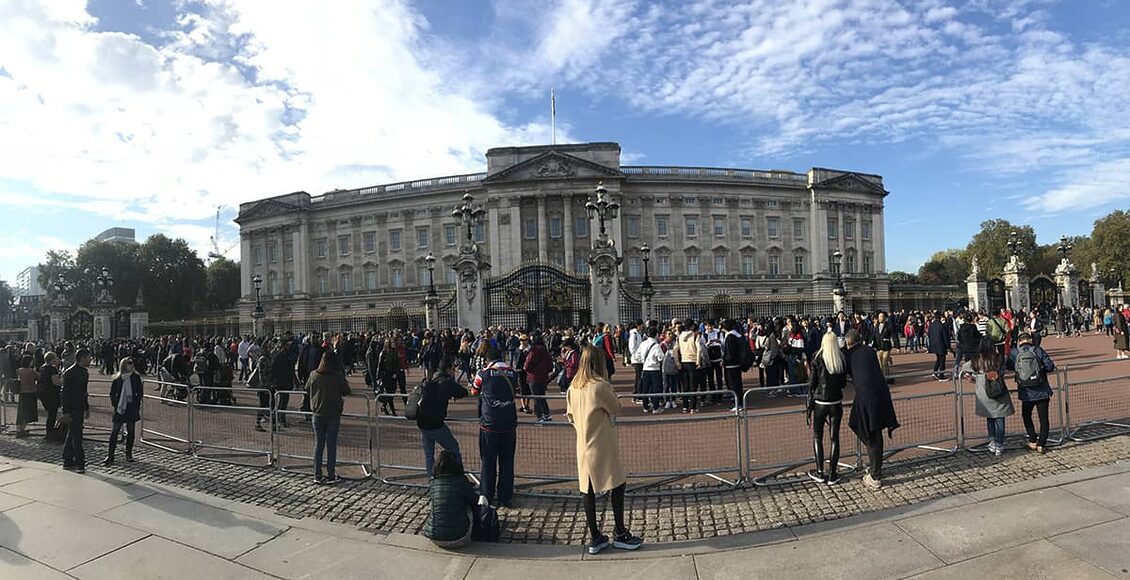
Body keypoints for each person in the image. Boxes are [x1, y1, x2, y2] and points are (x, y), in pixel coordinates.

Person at [566, 344, 643, 555]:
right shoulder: (599, 386)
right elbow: (615, 407)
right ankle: (620, 532)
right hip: (601, 442)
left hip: (582, 442)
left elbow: (570, 415)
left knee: (588, 489)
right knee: (617, 484)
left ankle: (595, 537)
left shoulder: (573, 386)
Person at [844, 330, 899, 490]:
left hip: (866, 396)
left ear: (848, 343)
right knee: (874, 432)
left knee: (868, 432)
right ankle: (875, 467)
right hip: (880, 393)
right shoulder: (869, 351)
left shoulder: (849, 355)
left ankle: (875, 475)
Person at [472, 343, 518, 508]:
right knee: (507, 462)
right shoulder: (512, 372)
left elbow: (474, 390)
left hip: (489, 424)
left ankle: (486, 495)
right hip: (509, 423)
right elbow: (516, 389)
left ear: (487, 360)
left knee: (488, 461)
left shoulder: (483, 373)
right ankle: (506, 497)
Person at [962, 337, 1014, 456]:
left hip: (983, 390)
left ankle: (992, 441)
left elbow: (964, 367)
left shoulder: (976, 360)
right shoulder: (998, 358)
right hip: (998, 389)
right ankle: (999, 444)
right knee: (1000, 418)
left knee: (989, 417)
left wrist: (973, 377)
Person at [806, 331, 846, 485]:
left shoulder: (817, 357)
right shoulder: (840, 358)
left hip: (821, 402)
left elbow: (813, 382)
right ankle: (834, 473)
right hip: (836, 402)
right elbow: (842, 383)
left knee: (817, 436)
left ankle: (820, 471)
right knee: (834, 438)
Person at [418, 358, 469, 475]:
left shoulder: (432, 379)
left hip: (422, 421)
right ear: (448, 369)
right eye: (453, 369)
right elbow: (463, 392)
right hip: (435, 423)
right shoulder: (447, 382)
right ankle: (458, 477)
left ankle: (432, 480)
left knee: (429, 454)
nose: (454, 372)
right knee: (454, 447)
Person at [306, 351, 350, 485]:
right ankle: (331, 475)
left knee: (318, 445)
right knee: (331, 446)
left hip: (317, 413)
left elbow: (307, 387)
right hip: (333, 413)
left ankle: (317, 474)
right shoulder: (337, 376)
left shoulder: (314, 374)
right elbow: (346, 390)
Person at [1008, 332, 1056, 454]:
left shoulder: (1015, 352)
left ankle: (1032, 439)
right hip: (1042, 389)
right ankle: (1042, 444)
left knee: (1026, 416)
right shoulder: (1037, 350)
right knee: (1043, 419)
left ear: (1019, 341)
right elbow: (1050, 366)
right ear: (1030, 340)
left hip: (1026, 391)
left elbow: (1009, 365)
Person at [423, 450, 479, 549]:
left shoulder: (433, 482)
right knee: (469, 508)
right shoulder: (461, 480)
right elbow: (474, 501)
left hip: (434, 537)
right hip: (459, 537)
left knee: (434, 505)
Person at [104, 357, 143, 466]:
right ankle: (110, 454)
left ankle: (128, 453)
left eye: (132, 363)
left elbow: (140, 392)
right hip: (120, 406)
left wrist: (136, 402)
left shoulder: (136, 377)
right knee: (115, 431)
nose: (132, 365)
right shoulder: (118, 378)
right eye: (129, 363)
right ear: (124, 365)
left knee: (131, 431)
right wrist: (115, 403)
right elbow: (112, 392)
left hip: (131, 406)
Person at [61, 349, 92, 473]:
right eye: (88, 357)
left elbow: (84, 393)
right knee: (77, 436)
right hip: (72, 407)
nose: (90, 360)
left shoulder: (84, 372)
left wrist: (86, 407)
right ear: (82, 358)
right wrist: (66, 411)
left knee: (72, 434)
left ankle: (68, 459)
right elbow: (64, 392)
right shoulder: (70, 373)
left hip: (79, 406)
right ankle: (80, 462)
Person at [523, 335, 554, 423]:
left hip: (533, 377)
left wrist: (528, 369)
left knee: (536, 398)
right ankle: (547, 414)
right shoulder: (546, 351)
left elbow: (527, 365)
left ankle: (539, 416)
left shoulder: (533, 351)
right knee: (542, 396)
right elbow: (550, 366)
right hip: (543, 377)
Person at [37, 352, 63, 442]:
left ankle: (49, 432)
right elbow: (56, 382)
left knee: (50, 413)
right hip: (51, 394)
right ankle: (50, 433)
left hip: (44, 393)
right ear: (52, 359)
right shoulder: (52, 369)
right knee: (52, 414)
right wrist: (64, 380)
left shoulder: (42, 368)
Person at [15, 355, 38, 438]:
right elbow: (39, 377)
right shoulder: (31, 371)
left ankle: (18, 430)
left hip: (22, 393)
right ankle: (22, 430)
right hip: (30, 393)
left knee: (21, 413)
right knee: (28, 414)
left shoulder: (19, 371)